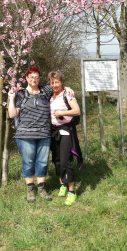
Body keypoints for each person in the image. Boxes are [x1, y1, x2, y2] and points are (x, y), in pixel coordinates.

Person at [8, 66, 74, 203]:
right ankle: (30, 189)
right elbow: (12, 114)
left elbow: (58, 87)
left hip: (44, 134)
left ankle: (42, 188)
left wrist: (67, 88)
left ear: (39, 78)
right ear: (26, 78)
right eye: (31, 77)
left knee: (42, 162)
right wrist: (11, 98)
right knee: (28, 162)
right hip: (25, 135)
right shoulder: (21, 94)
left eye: (37, 77)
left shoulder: (45, 90)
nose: (34, 79)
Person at [49, 70, 82, 206]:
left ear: (62, 82)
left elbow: (77, 111)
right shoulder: (50, 95)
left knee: (65, 161)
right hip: (54, 132)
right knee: (56, 160)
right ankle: (62, 184)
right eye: (52, 82)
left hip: (66, 132)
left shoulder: (67, 94)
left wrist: (62, 112)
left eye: (57, 82)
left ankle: (72, 192)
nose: (54, 85)